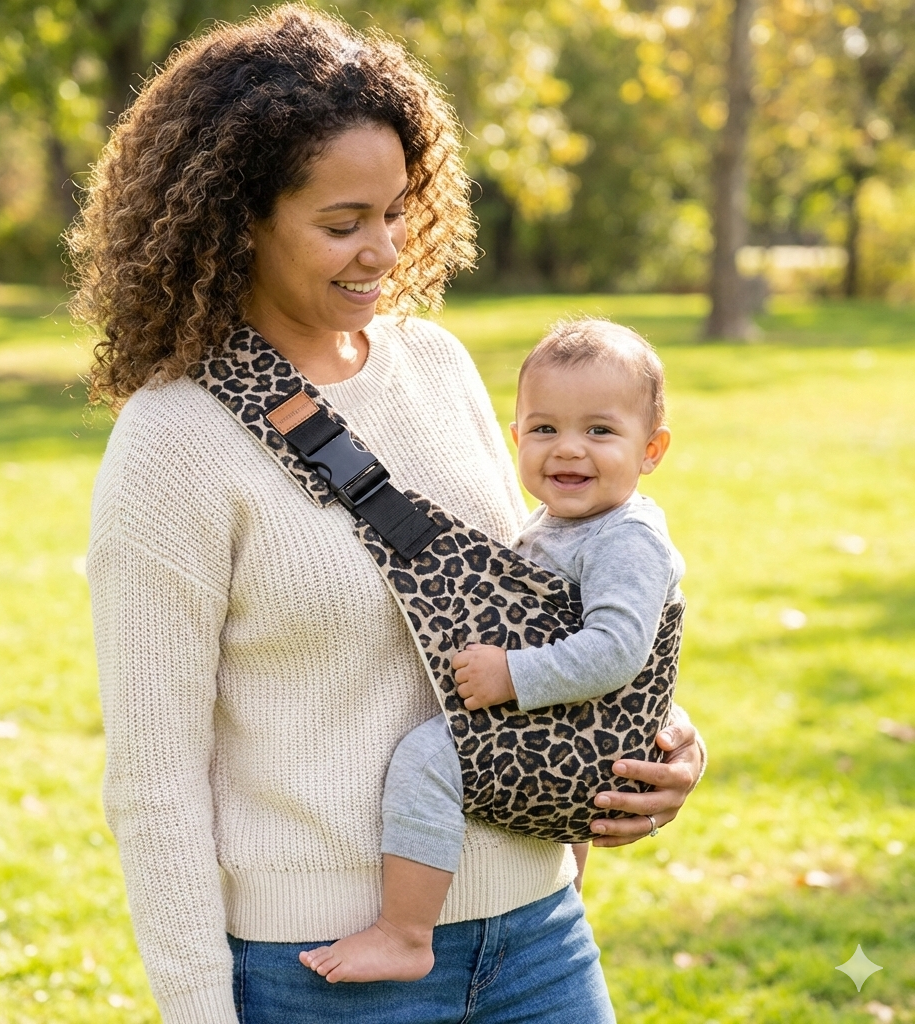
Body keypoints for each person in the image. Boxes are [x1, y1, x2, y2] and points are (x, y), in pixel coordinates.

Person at [71, 7, 706, 1023]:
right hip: (320, 970)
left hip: (537, 934)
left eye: (398, 211)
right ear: (238, 218)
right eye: (341, 223)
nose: (382, 251)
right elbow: (155, 785)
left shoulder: (439, 368)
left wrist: (659, 741)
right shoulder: (172, 442)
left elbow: (527, 608)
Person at [300, 318, 686, 985]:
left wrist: (513, 673)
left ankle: (404, 932)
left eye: (600, 430)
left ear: (651, 449)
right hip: (567, 729)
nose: (568, 450)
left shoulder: (625, 540)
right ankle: (567, 899)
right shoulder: (565, 523)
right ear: (515, 437)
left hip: (575, 734)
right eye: (544, 429)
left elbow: (622, 649)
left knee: (429, 756)